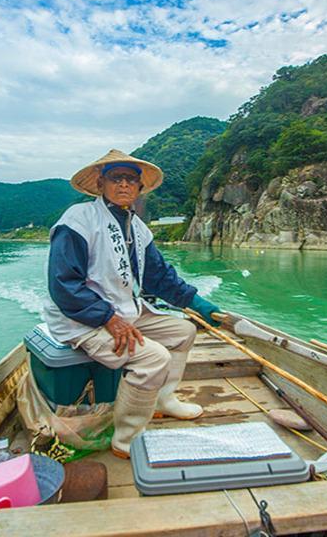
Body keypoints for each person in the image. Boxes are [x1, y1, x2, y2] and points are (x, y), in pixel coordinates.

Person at [43, 149, 221, 458]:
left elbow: (159, 278)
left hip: (124, 312)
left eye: (131, 180)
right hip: (81, 319)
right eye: (116, 178)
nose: (124, 185)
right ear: (101, 184)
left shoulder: (138, 228)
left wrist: (196, 302)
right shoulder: (78, 220)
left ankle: (164, 400)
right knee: (153, 358)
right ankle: (126, 439)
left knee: (183, 332)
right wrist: (107, 318)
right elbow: (63, 285)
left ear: (139, 188)